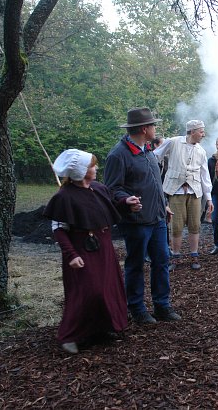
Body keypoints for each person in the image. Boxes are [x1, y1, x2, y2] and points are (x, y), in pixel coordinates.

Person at [43, 149, 130, 354]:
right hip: (82, 248)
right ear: (81, 170)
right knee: (88, 292)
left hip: (104, 245)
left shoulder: (98, 188)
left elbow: (112, 206)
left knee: (107, 289)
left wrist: (127, 203)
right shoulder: (64, 196)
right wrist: (71, 255)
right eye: (92, 165)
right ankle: (69, 336)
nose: (96, 168)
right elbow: (59, 229)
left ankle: (102, 328)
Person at [103, 107, 181, 325]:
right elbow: (111, 188)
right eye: (153, 125)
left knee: (162, 261)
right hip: (136, 221)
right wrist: (125, 200)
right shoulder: (118, 155)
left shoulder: (147, 150)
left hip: (157, 218)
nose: (156, 128)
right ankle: (137, 308)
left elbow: (154, 184)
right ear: (145, 129)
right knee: (136, 264)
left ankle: (162, 306)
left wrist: (164, 205)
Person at [153, 120, 213, 270]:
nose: (203, 134)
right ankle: (176, 257)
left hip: (195, 192)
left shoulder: (201, 151)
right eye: (201, 131)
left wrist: (209, 198)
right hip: (176, 191)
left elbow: (205, 175)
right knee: (176, 225)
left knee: (195, 225)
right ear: (192, 132)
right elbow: (155, 156)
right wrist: (155, 174)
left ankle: (194, 255)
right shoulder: (173, 142)